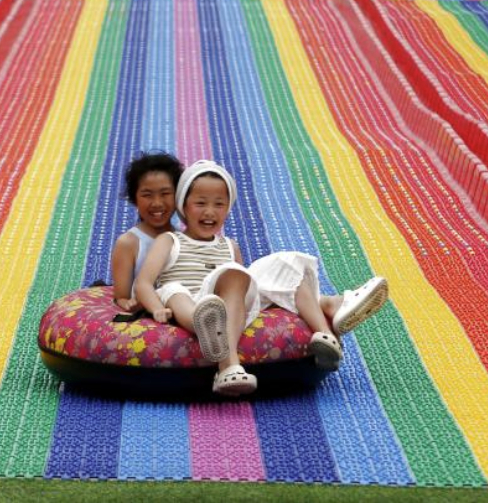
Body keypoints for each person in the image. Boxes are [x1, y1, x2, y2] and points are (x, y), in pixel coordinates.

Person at [134, 160, 388, 396]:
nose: (209, 211)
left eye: (219, 204)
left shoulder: (230, 246)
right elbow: (144, 283)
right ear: (183, 207)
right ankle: (227, 362)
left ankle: (328, 321)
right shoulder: (170, 240)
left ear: (227, 208)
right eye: (200, 203)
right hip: (186, 298)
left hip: (224, 300)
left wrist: (243, 295)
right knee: (176, 289)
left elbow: (244, 292)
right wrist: (156, 308)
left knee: (275, 267)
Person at [110, 152, 183, 312]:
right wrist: (127, 303)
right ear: (135, 198)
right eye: (147, 195)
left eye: (165, 194)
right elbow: (121, 296)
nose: (157, 203)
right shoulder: (129, 243)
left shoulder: (183, 239)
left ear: (178, 196)